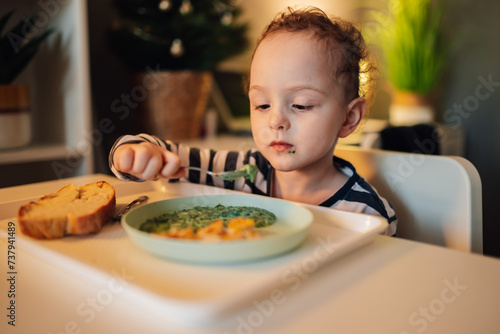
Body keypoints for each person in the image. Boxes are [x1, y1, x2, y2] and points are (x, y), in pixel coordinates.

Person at [109, 7, 397, 236]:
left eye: (301, 105)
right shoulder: (243, 172)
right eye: (261, 104)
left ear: (349, 118)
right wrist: (135, 153)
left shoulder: (366, 213)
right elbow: (172, 157)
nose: (276, 121)